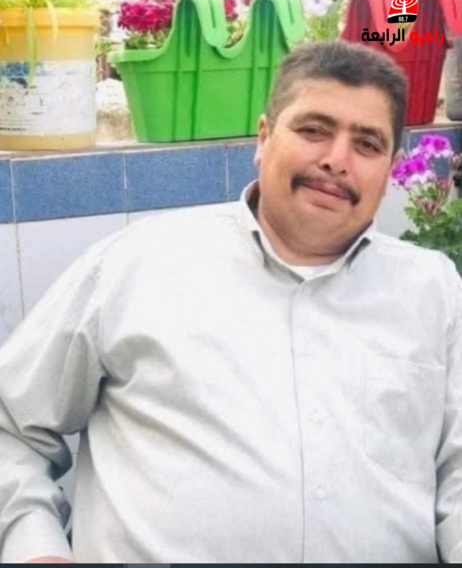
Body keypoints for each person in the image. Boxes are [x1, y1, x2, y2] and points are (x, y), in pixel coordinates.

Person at [0, 40, 461, 564]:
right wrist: (36, 551)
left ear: (392, 167)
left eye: (367, 144)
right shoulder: (138, 266)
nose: (337, 160)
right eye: (314, 130)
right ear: (263, 138)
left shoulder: (431, 291)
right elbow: (10, 425)